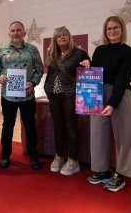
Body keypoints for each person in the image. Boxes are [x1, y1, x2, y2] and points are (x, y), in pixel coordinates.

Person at [80, 16, 131, 192]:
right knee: (97, 133)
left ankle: (121, 175)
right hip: (98, 93)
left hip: (120, 94)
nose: (112, 31)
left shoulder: (129, 52)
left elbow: (123, 79)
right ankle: (102, 170)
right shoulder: (99, 50)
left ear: (122, 29)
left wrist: (112, 103)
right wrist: (86, 66)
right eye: (108, 29)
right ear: (105, 32)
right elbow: (96, 73)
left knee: (125, 135)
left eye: (115, 28)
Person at [0, 21, 43, 170]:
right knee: (7, 126)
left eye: (18, 30)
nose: (16, 33)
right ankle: (5, 155)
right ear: (9, 34)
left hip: (27, 96)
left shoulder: (33, 50)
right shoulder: (2, 50)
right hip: (8, 96)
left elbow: (39, 69)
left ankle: (33, 156)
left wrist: (33, 83)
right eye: (13, 31)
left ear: (24, 33)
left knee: (30, 126)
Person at [44, 26, 90, 175]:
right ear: (55, 40)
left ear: (69, 37)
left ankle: (73, 160)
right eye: (59, 36)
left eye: (65, 35)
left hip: (71, 95)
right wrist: (47, 88)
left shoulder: (80, 53)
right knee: (58, 126)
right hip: (54, 95)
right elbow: (50, 73)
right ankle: (59, 156)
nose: (62, 37)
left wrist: (87, 65)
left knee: (71, 127)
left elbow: (89, 69)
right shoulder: (52, 55)